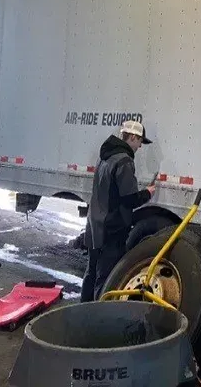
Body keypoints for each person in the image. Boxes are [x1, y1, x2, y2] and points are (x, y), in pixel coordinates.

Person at [81, 120, 156, 302]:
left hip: (95, 225)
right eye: (139, 142)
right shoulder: (124, 160)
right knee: (106, 278)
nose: (139, 147)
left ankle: (83, 312)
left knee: (91, 273)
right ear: (132, 137)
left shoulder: (105, 155)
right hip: (112, 229)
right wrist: (148, 193)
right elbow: (129, 199)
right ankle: (99, 319)